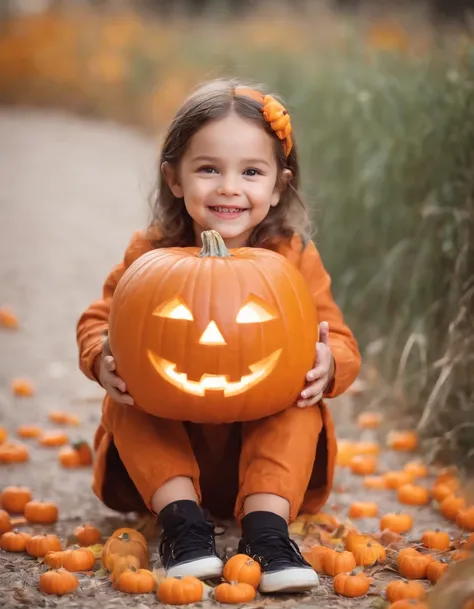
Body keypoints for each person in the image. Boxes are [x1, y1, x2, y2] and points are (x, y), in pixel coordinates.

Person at [77, 78, 361, 594]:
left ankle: (267, 533)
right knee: (131, 391)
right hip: (172, 450)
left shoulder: (292, 257)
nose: (229, 187)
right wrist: (101, 358)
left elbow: (340, 338)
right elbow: (98, 320)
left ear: (278, 185)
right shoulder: (151, 254)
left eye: (251, 172)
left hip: (259, 456)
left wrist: (329, 362)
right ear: (175, 178)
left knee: (299, 399)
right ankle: (183, 524)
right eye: (209, 168)